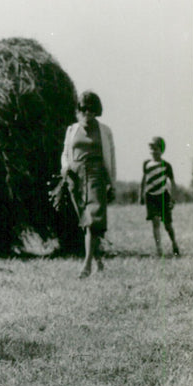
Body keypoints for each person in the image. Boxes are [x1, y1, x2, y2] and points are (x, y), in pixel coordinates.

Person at [60, 90, 116, 278]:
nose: (87, 113)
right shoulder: (71, 130)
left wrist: (112, 184)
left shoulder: (105, 131)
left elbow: (111, 158)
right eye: (83, 109)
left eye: (91, 110)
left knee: (92, 220)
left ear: (96, 111)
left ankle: (86, 265)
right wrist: (66, 168)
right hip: (75, 178)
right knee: (85, 222)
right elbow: (65, 154)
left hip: (96, 176)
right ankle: (98, 259)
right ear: (78, 110)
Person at [139, 136, 180, 257]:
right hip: (150, 197)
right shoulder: (146, 164)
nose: (153, 152)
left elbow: (172, 182)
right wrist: (141, 194)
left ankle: (174, 243)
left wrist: (173, 199)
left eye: (155, 149)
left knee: (167, 225)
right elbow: (143, 180)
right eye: (151, 149)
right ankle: (159, 249)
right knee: (155, 222)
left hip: (163, 197)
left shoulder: (166, 165)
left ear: (161, 150)